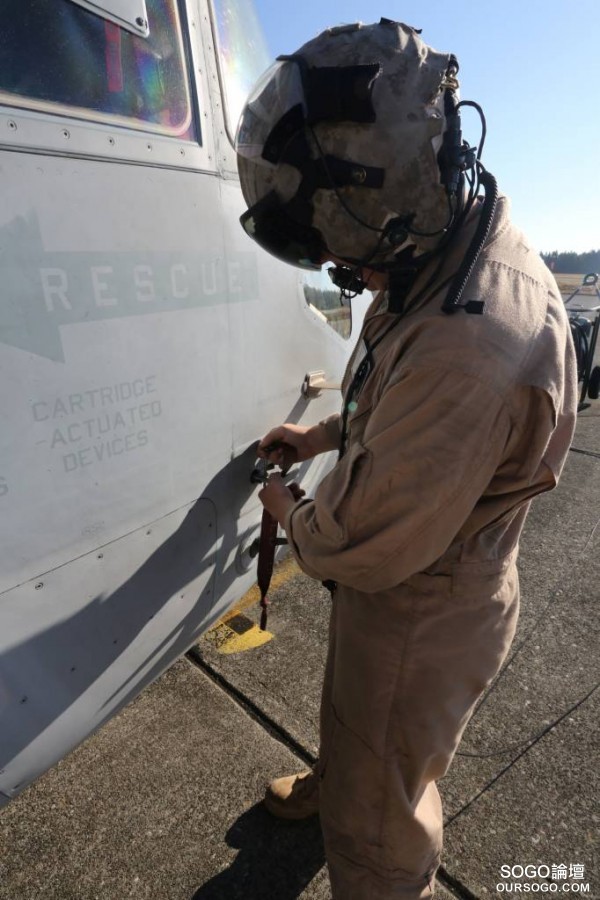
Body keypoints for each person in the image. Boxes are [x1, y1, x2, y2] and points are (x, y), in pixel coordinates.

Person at [235, 19, 577, 899]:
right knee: (359, 722)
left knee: (381, 815)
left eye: (338, 250)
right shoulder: (437, 246)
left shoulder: (470, 342)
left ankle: (371, 838)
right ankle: (341, 776)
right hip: (410, 564)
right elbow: (390, 396)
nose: (337, 265)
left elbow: (361, 542)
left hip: (423, 599)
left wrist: (287, 510)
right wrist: (322, 437)